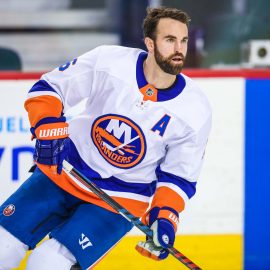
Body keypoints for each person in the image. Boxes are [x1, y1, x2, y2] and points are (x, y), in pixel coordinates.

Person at [0, 6, 211, 270]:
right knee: (3, 248)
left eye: (183, 40)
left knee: (48, 264)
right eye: (170, 40)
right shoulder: (109, 61)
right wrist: (46, 124)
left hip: (120, 199)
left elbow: (179, 176)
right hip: (66, 170)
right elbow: (49, 88)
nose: (179, 48)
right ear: (149, 43)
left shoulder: (195, 109)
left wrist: (165, 216)